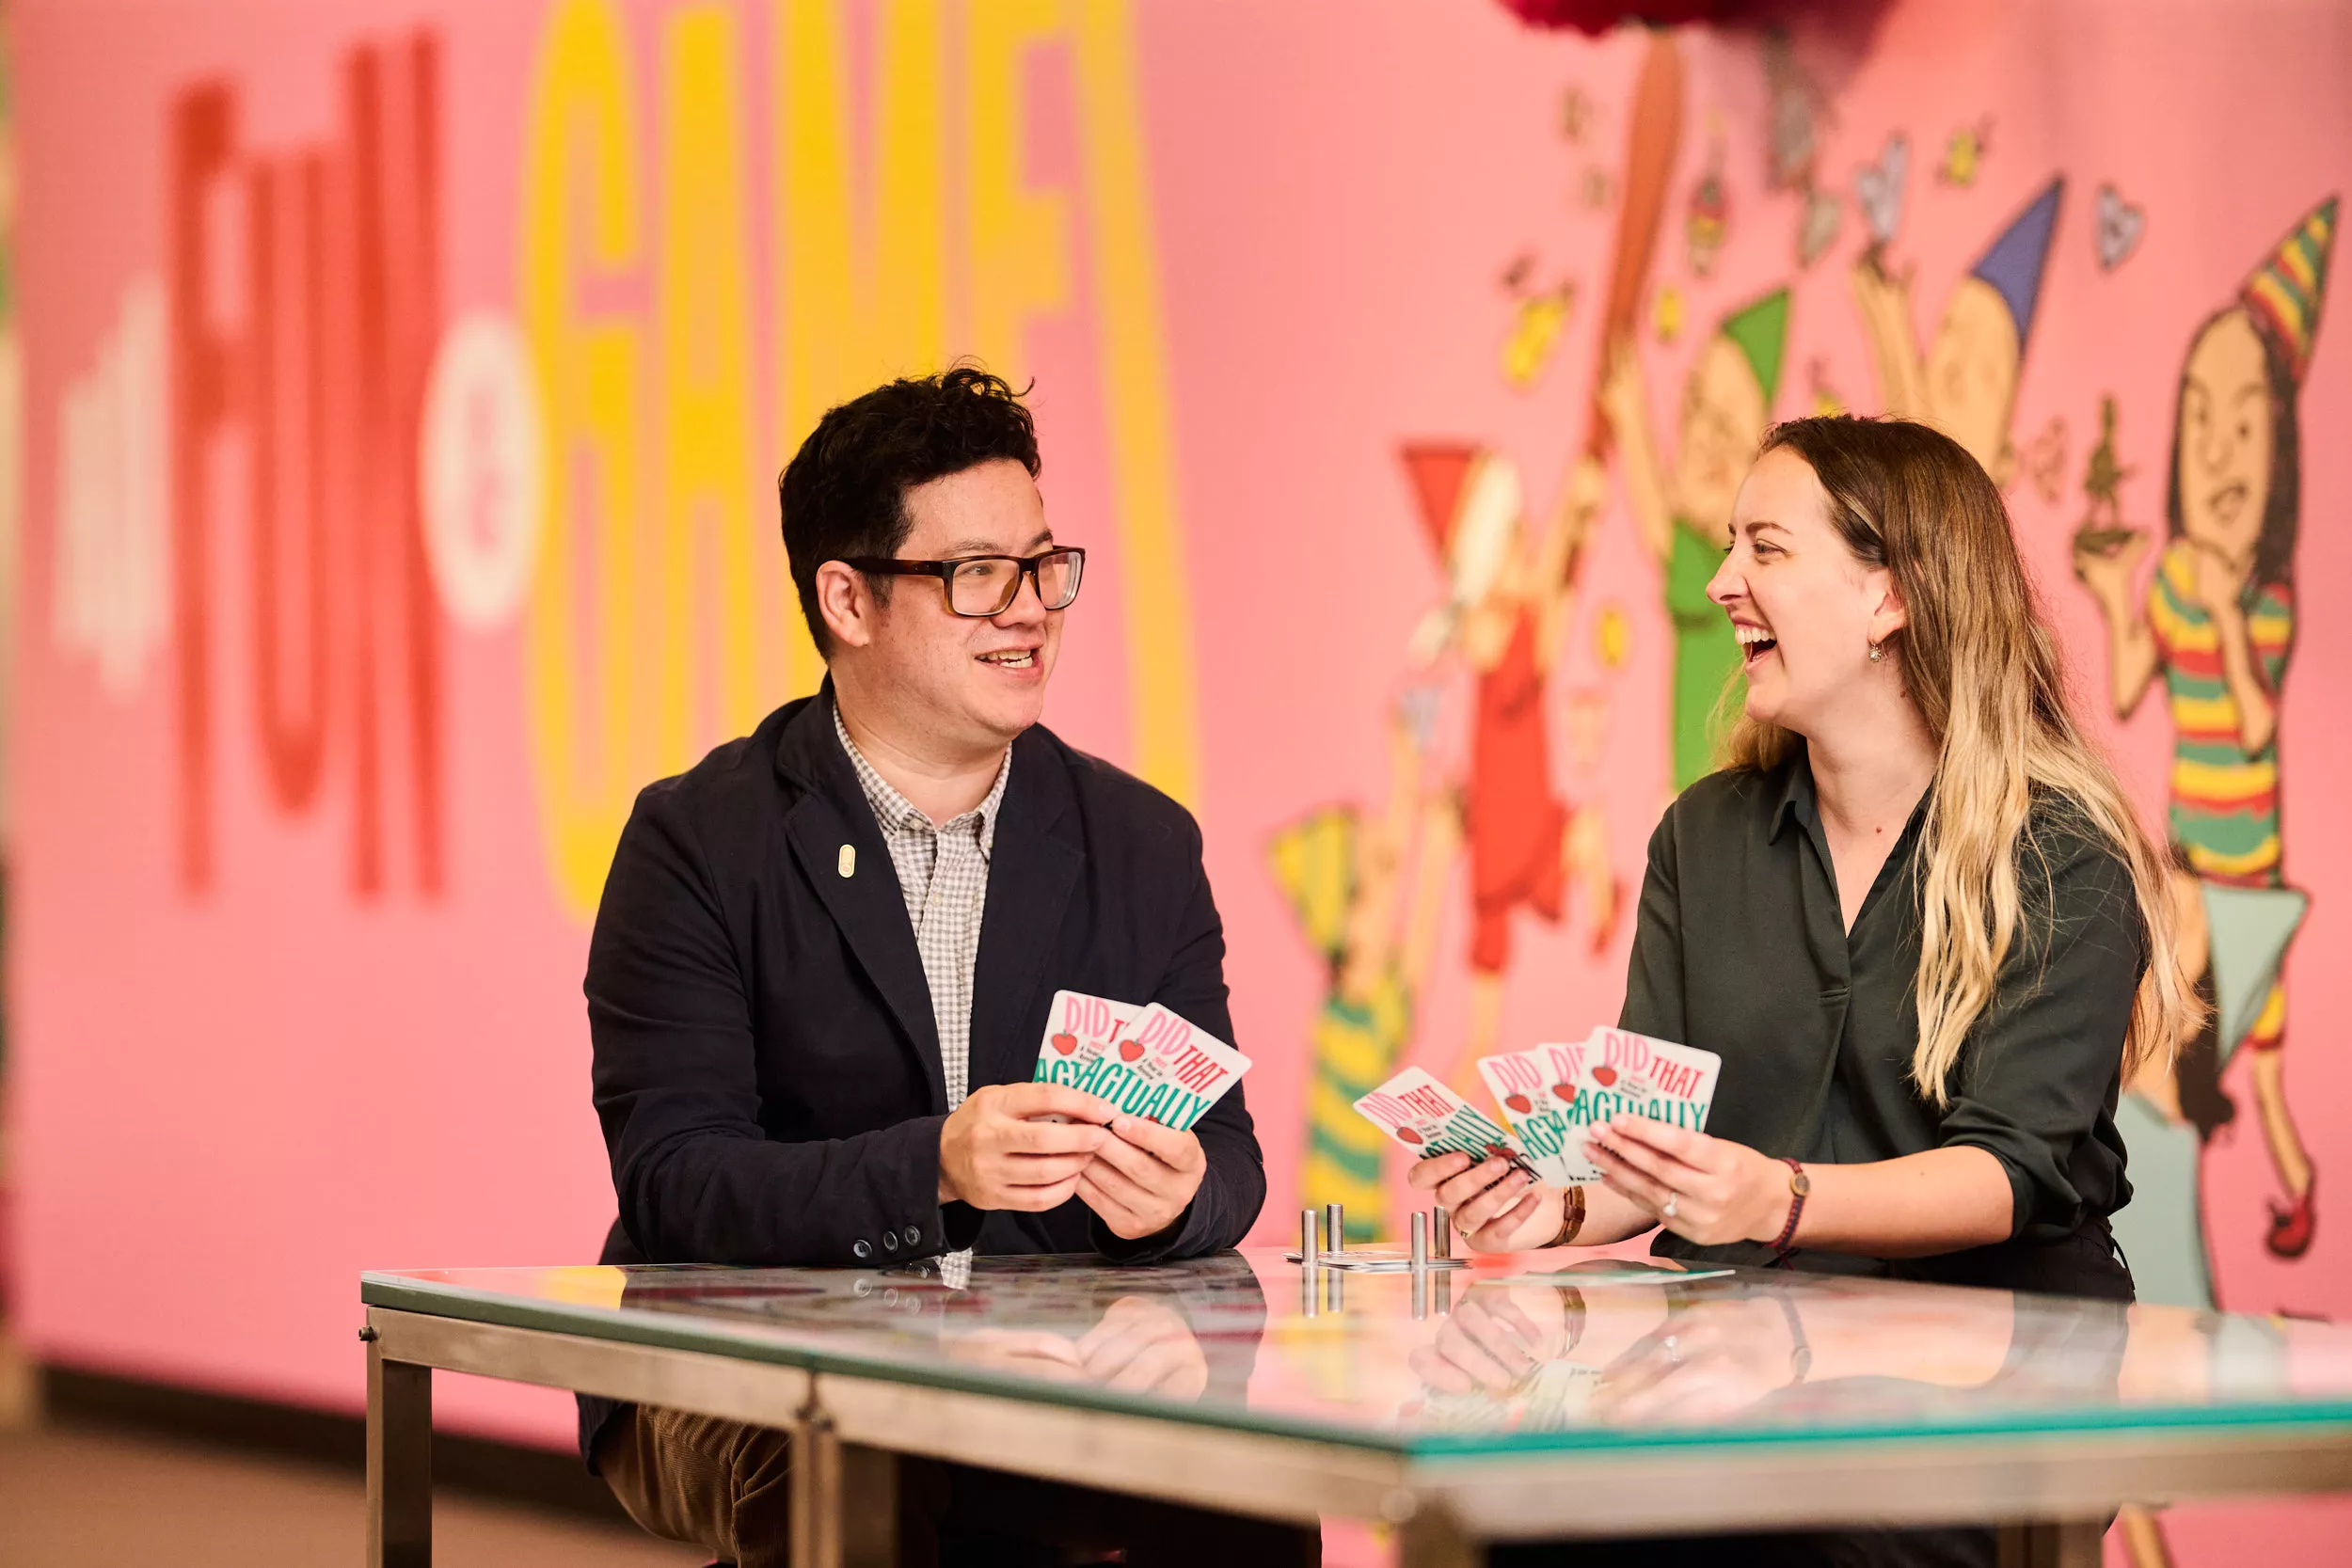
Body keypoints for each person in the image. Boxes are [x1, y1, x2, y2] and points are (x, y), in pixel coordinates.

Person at [1412, 415, 2198, 1566]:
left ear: (1890, 598)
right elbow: (1665, 1135)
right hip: (1724, 1372)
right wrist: (1564, 1204)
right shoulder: (1703, 835)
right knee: (1505, 1515)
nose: (1723, 581)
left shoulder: (2062, 853)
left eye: (1765, 549)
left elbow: (2006, 1173)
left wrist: (1779, 1199)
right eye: (1728, 545)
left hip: (1981, 1384)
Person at [580, 366, 1310, 1567]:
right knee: (855, 1446)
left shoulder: (1139, 840)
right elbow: (677, 1180)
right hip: (746, 1356)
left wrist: (1178, 1196)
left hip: (1048, 1348)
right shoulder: (700, 838)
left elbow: (1228, 1159)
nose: (1028, 609)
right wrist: (937, 1167)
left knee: (1251, 1472)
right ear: (849, 600)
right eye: (977, 576)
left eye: (1044, 566)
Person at [2074, 195, 2335, 1280]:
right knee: (2157, 1072)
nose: (2219, 448)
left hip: (2242, 870)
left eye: (2246, 424)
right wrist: (2109, 589)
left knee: (2207, 1070)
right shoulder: (2177, 577)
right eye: (2199, 420)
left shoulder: (2262, 599)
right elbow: (2137, 680)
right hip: (2180, 854)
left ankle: (2253, 1208)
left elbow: (2255, 714)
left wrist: (2228, 608)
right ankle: (2168, 1268)